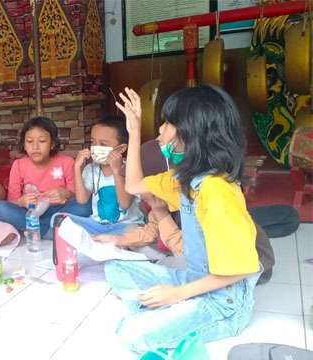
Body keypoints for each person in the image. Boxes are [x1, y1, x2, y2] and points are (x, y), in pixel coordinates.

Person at [106, 85, 261, 354]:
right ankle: (170, 308)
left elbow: (240, 269)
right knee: (114, 269)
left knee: (131, 334)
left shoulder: (217, 190)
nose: (160, 131)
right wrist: (133, 131)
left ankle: (170, 309)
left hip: (224, 303)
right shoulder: (185, 178)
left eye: (167, 123)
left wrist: (176, 294)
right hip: (194, 280)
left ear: (191, 132)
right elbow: (133, 185)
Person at [96, 139, 277, 284]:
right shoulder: (163, 196)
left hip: (246, 269)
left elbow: (189, 254)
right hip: (205, 262)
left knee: (163, 269)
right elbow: (151, 229)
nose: (138, 192)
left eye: (143, 185)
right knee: (132, 240)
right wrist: (120, 240)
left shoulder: (199, 194)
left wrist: (163, 215)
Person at [0, 116, 91, 237]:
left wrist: (66, 193)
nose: (35, 147)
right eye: (29, 141)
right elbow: (13, 201)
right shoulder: (18, 165)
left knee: (86, 205)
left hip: (59, 212)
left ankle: (38, 230)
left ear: (52, 144)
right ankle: (51, 230)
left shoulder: (67, 162)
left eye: (42, 141)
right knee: (0, 208)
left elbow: (76, 195)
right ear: (24, 144)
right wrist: (21, 201)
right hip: (31, 213)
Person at [69, 115, 143, 235]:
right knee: (68, 226)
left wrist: (116, 170)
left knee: (135, 234)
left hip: (127, 225)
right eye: (93, 142)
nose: (96, 147)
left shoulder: (131, 169)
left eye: (103, 144)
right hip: (99, 225)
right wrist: (77, 167)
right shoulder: (90, 169)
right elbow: (82, 200)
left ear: (121, 148)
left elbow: (124, 204)